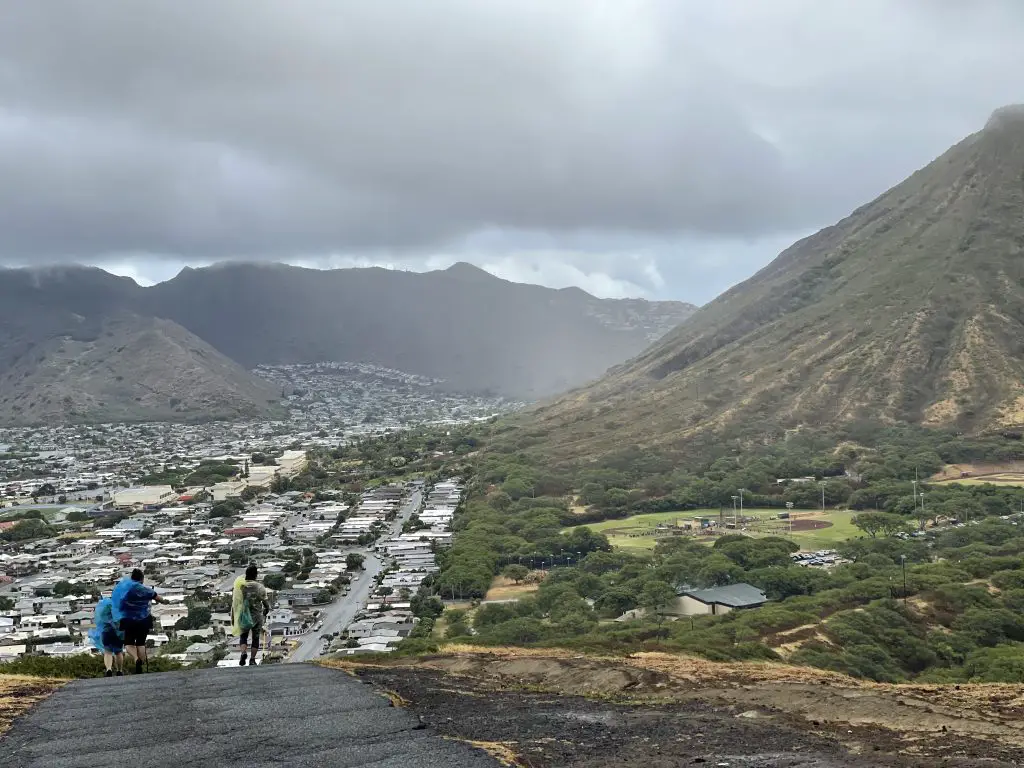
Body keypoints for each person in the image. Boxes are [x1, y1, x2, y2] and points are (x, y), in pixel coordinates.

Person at [111, 568, 166, 674]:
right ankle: (142, 665)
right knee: (141, 643)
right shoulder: (145, 590)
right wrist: (164, 601)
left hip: (128, 619)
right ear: (142, 579)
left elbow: (116, 603)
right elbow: (158, 598)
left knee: (128, 644)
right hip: (144, 619)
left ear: (132, 578)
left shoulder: (124, 590)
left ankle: (136, 659)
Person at [232, 563, 270, 666]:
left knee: (243, 636)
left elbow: (235, 602)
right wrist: (267, 609)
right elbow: (265, 603)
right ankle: (252, 660)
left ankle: (243, 653)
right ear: (256, 575)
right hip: (256, 616)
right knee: (255, 638)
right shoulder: (260, 587)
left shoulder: (240, 586)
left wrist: (234, 615)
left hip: (243, 615)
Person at [88, 597, 125, 677]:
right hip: (118, 632)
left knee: (108, 652)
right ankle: (119, 670)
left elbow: (99, 621)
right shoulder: (118, 610)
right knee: (118, 652)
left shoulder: (103, 612)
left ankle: (109, 669)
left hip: (106, 632)